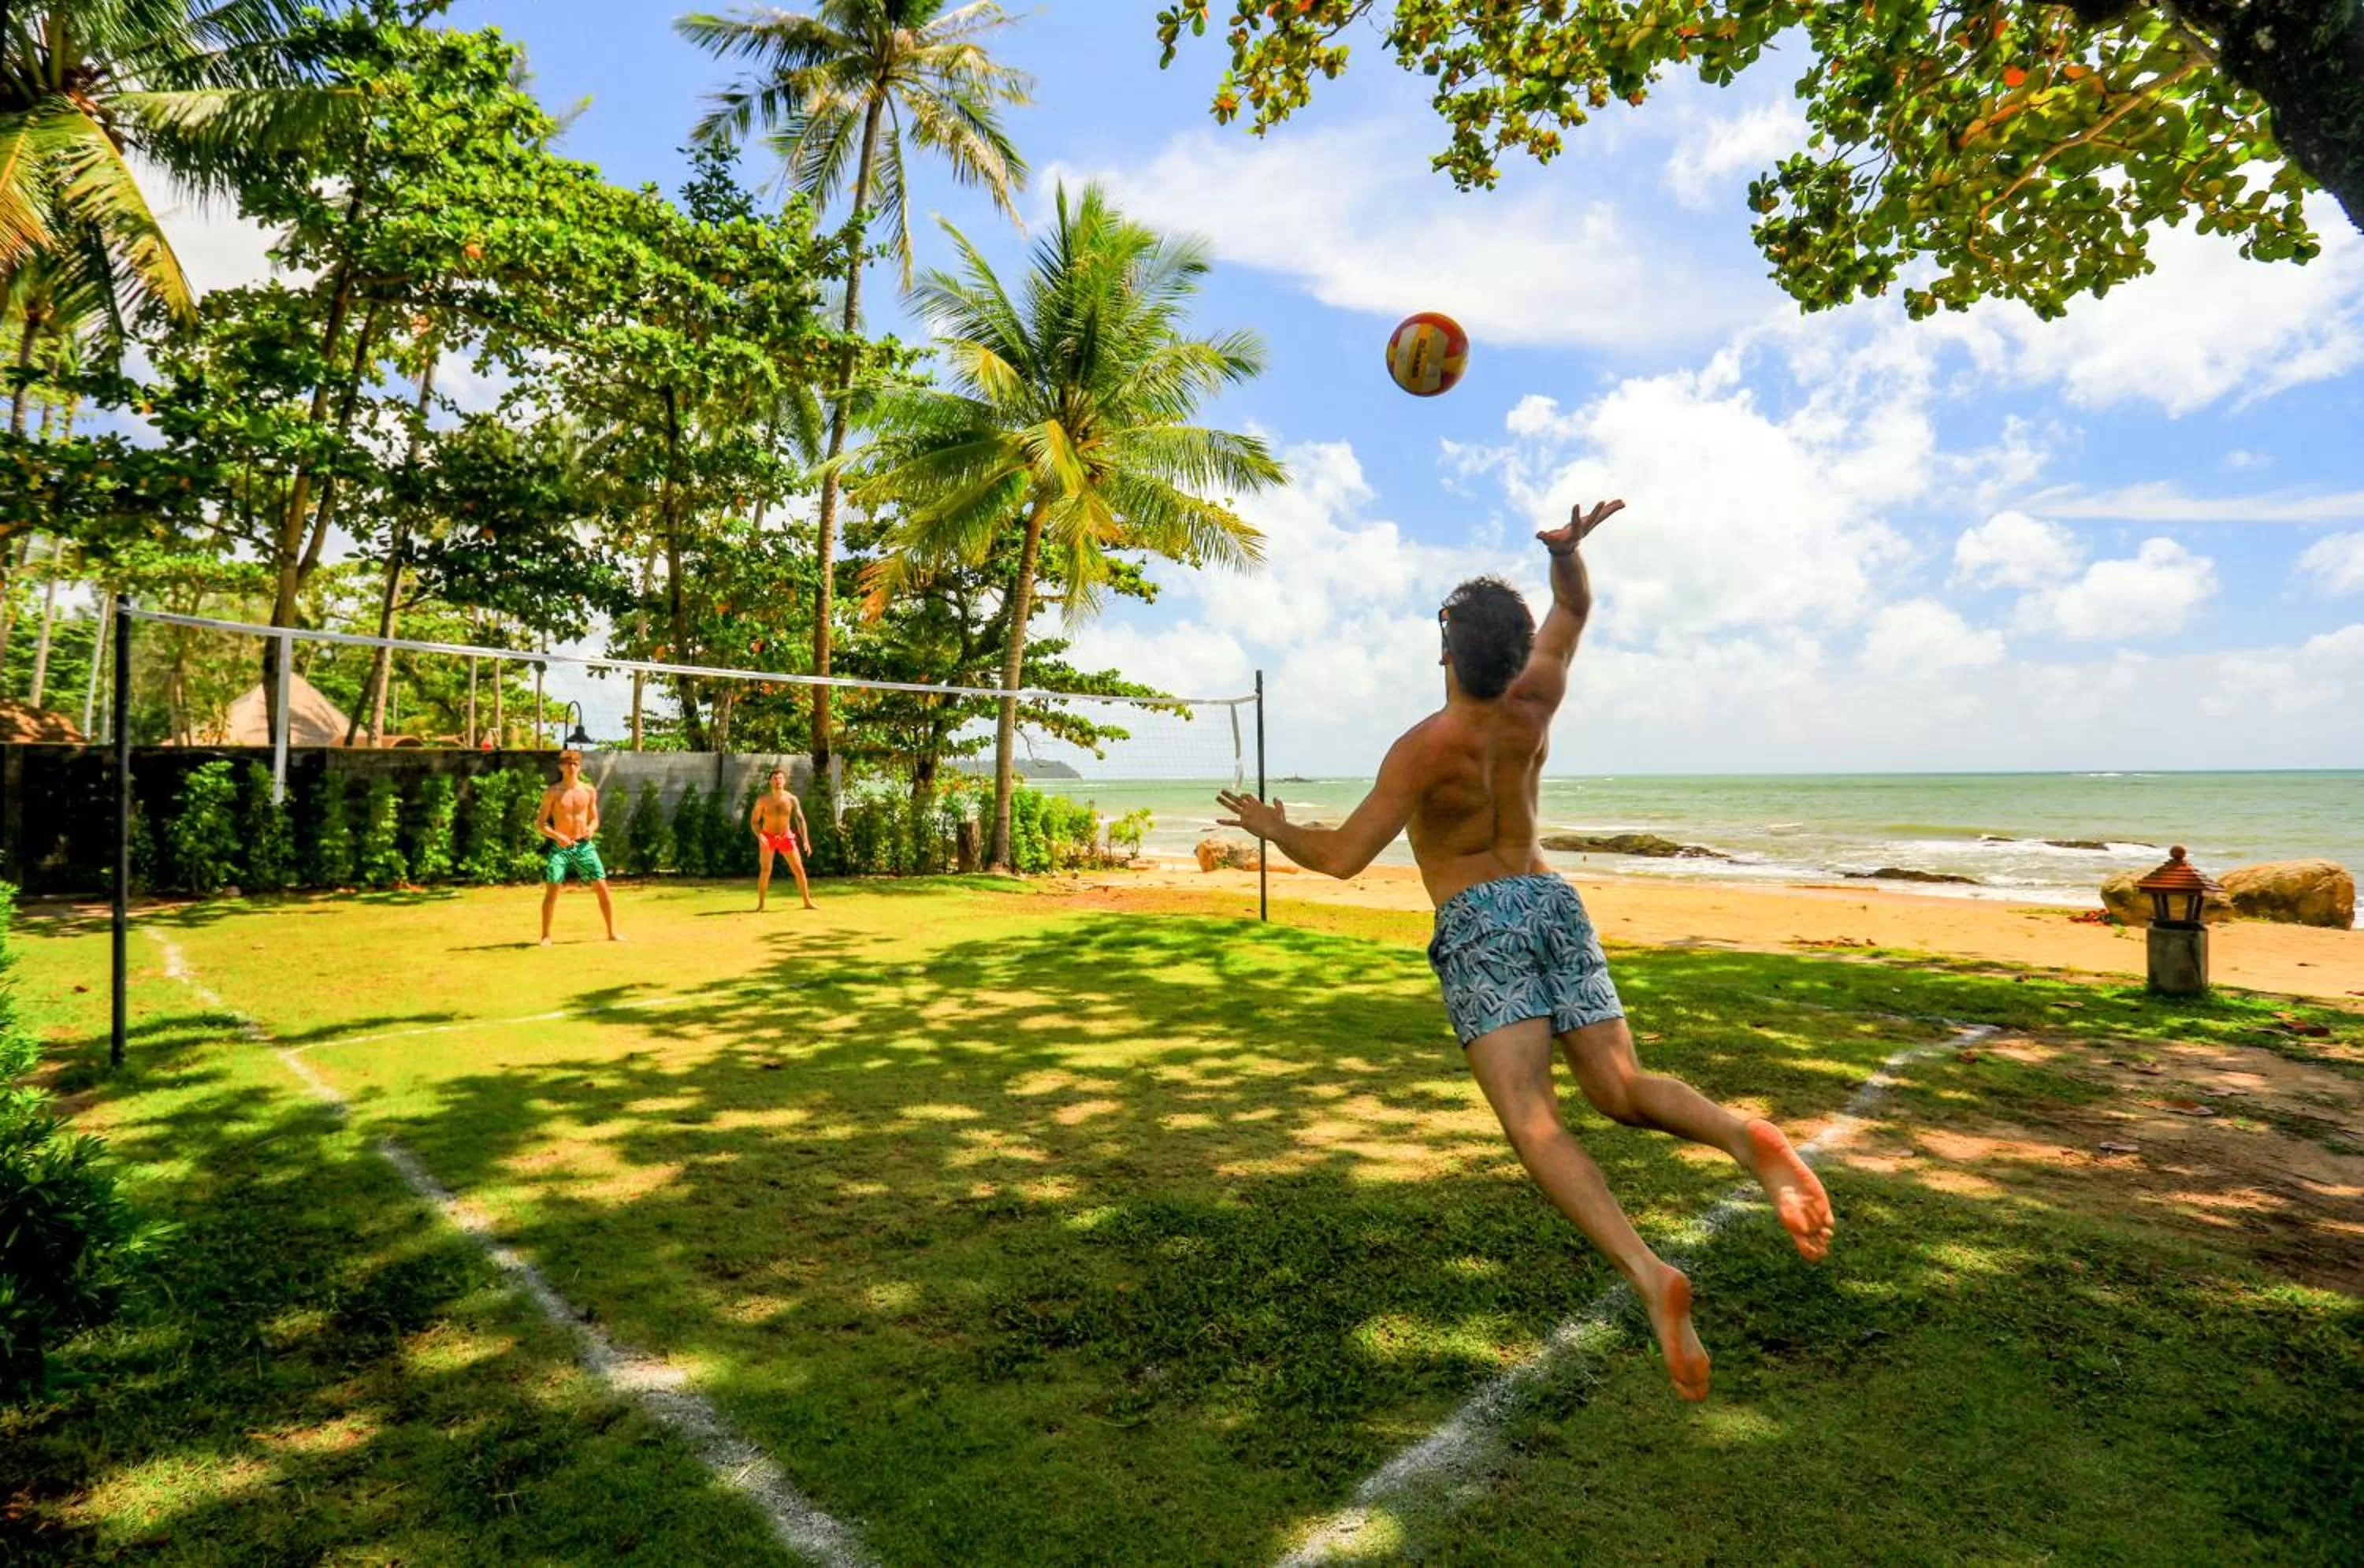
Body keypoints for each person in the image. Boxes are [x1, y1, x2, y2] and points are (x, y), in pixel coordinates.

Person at [1215, 499, 1831, 1403]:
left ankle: (1648, 1270)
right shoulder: (1535, 701)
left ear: (1446, 657)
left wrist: (1274, 828)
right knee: (1620, 1088)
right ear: (1514, 654)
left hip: (1481, 921)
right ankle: (1744, 1136)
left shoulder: (1425, 749)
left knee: (1533, 1117)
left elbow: (1343, 857)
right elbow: (1574, 611)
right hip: (1552, 900)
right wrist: (1568, 556)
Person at [535, 749, 620, 945]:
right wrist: (557, 836)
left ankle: (612, 932)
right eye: (567, 763)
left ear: (579, 766)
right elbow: (541, 824)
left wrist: (591, 829)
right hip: (561, 847)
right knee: (553, 889)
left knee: (602, 888)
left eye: (575, 764)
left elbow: (594, 819)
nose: (571, 767)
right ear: (560, 767)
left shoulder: (589, 791)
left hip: (584, 846)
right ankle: (546, 936)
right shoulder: (553, 792)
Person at [749, 767, 816, 912]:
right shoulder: (763, 800)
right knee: (766, 870)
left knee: (799, 870)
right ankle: (761, 905)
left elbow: (800, 819)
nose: (777, 781)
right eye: (774, 778)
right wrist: (760, 835)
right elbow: (754, 821)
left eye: (780, 778)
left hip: (786, 836)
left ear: (785, 781)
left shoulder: (792, 799)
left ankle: (807, 902)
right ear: (770, 782)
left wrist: (805, 840)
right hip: (768, 836)